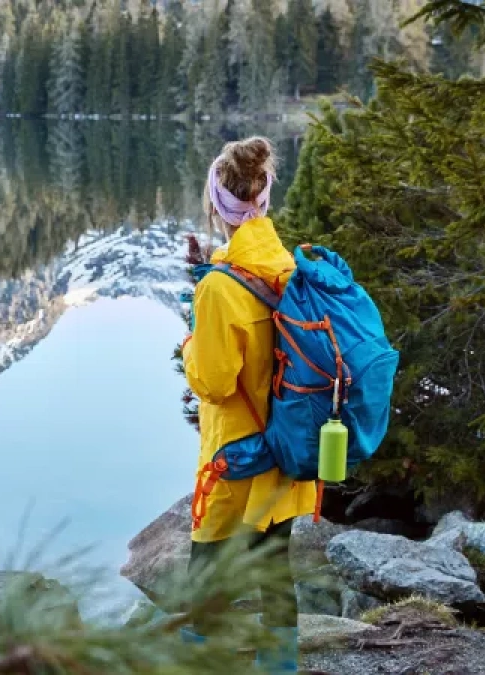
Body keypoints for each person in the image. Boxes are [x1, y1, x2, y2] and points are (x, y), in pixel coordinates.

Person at [179, 137, 317, 673]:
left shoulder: (220, 289)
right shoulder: (286, 264)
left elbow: (213, 384)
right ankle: (280, 665)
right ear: (263, 200)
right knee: (274, 563)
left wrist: (191, 344)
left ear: (217, 206)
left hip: (236, 455)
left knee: (206, 569)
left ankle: (199, 663)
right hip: (286, 445)